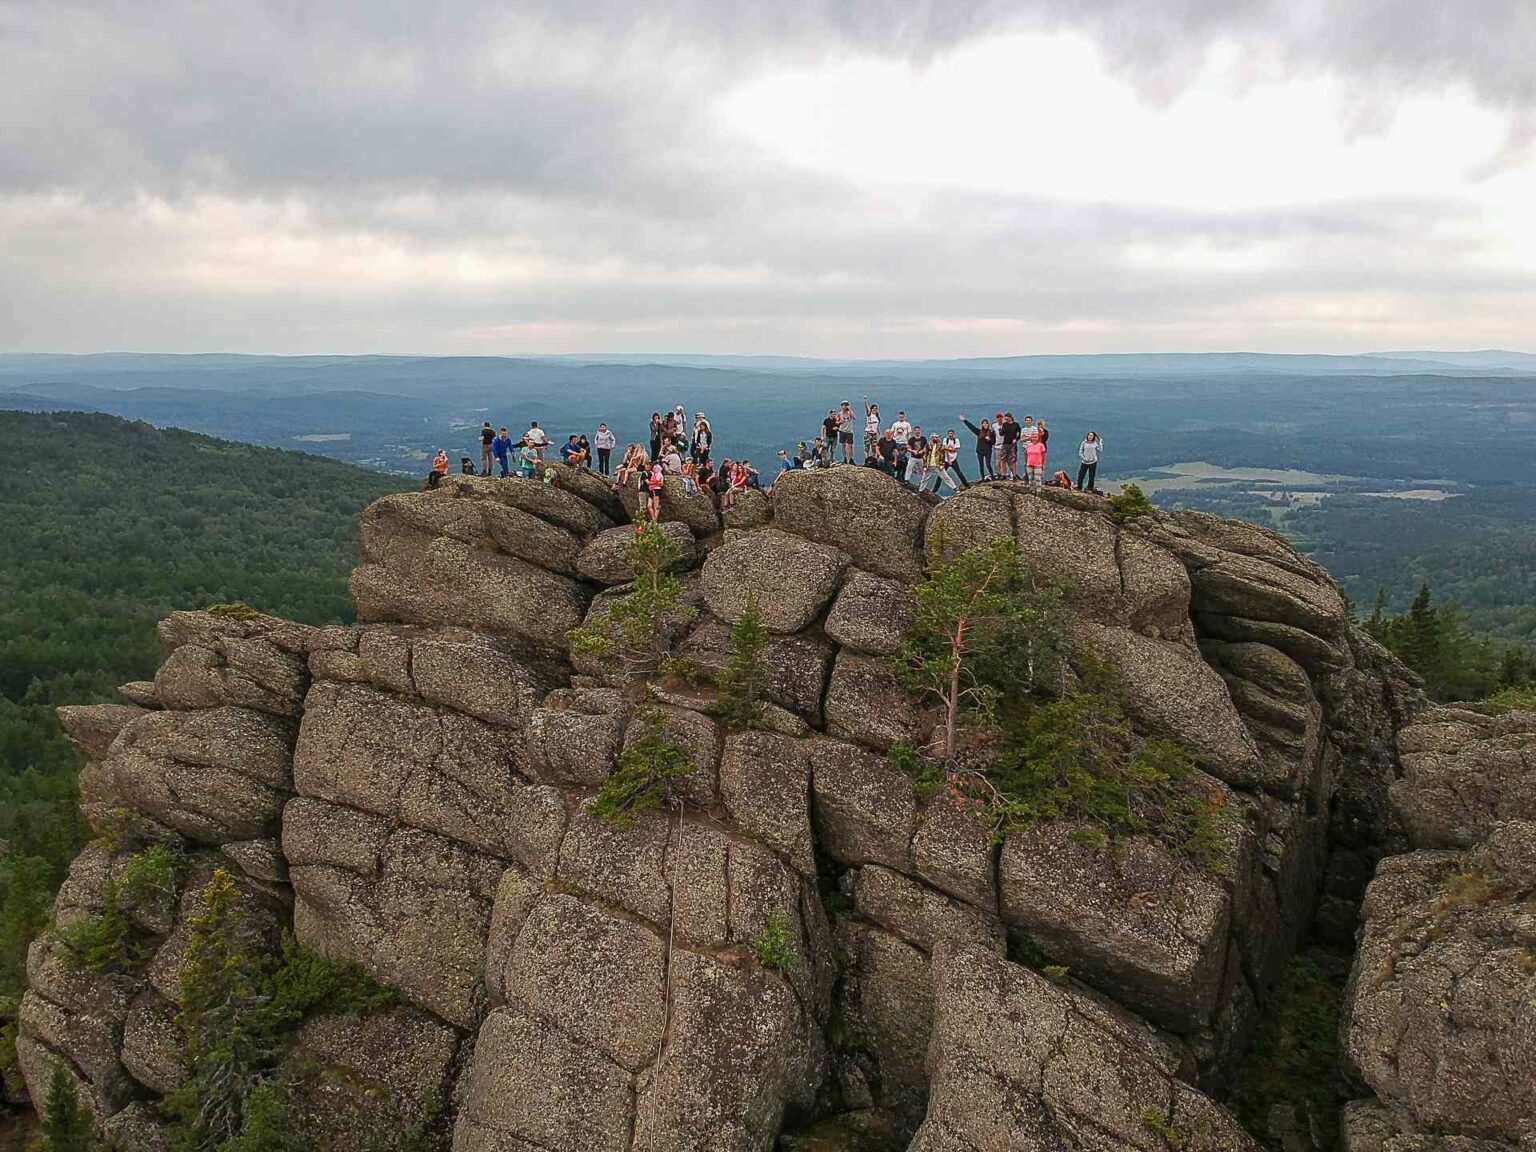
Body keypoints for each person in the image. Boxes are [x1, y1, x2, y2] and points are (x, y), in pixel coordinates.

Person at [960, 415, 996, 480]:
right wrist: (964, 421)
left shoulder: (991, 433)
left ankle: (992, 476)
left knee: (988, 465)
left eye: (986, 423)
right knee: (981, 465)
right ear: (982, 424)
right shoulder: (979, 432)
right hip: (979, 450)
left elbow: (993, 442)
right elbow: (971, 427)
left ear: (988, 424)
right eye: (984, 423)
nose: (985, 424)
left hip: (988, 451)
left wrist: (989, 440)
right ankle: (982, 478)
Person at [998, 412, 1021, 479]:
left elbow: (1019, 433)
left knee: (1013, 460)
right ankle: (1004, 474)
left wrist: (1016, 439)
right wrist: (1001, 426)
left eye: (1007, 418)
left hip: (1013, 444)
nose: (1006, 420)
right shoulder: (1004, 425)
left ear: (1011, 418)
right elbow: (1001, 434)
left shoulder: (1016, 425)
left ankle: (1014, 475)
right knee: (1003, 459)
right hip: (1005, 443)